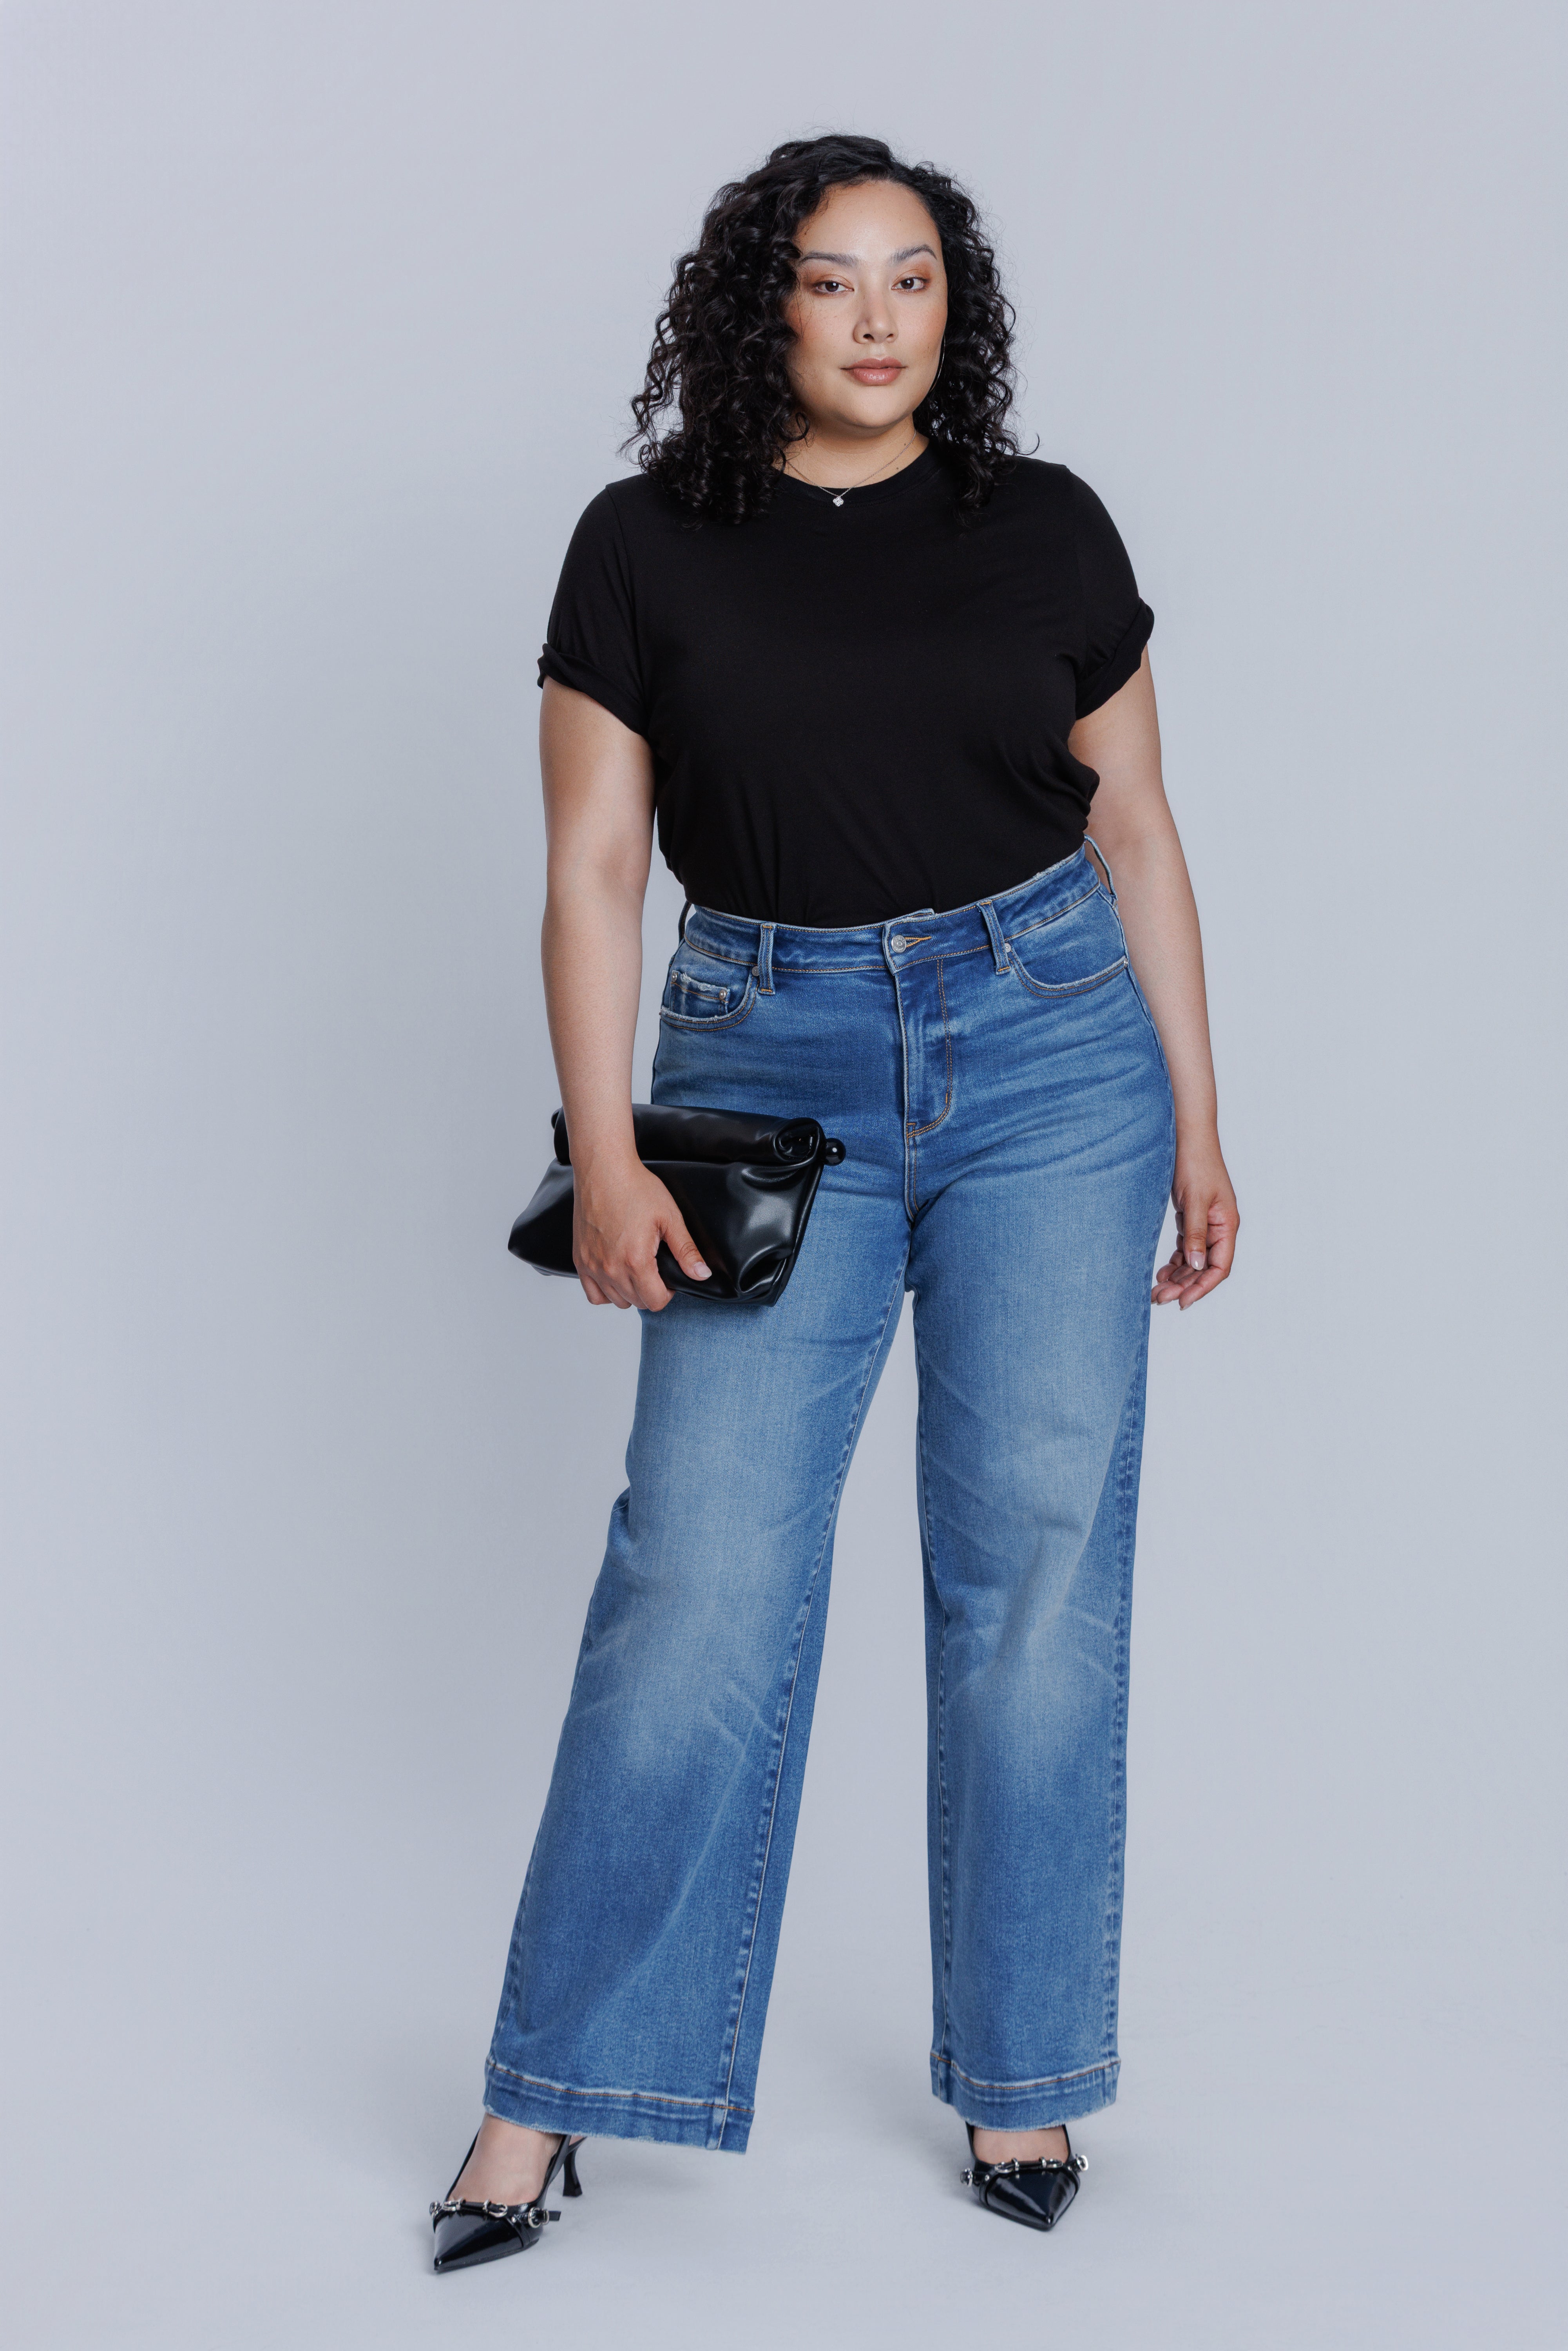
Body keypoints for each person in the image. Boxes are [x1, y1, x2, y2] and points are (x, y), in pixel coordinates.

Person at [429, 131, 1238, 2272]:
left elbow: (1138, 833)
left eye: (913, 280)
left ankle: (1022, 2077)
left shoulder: (1044, 527)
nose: (877, 318)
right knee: (695, 1576)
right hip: (761, 1069)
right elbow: (596, 867)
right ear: (758, 306)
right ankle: (552, 2096)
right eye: (830, 279)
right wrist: (600, 1138)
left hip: (1054, 1055)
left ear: (948, 311)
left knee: (1035, 1570)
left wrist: (1199, 1120)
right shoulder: (644, 543)